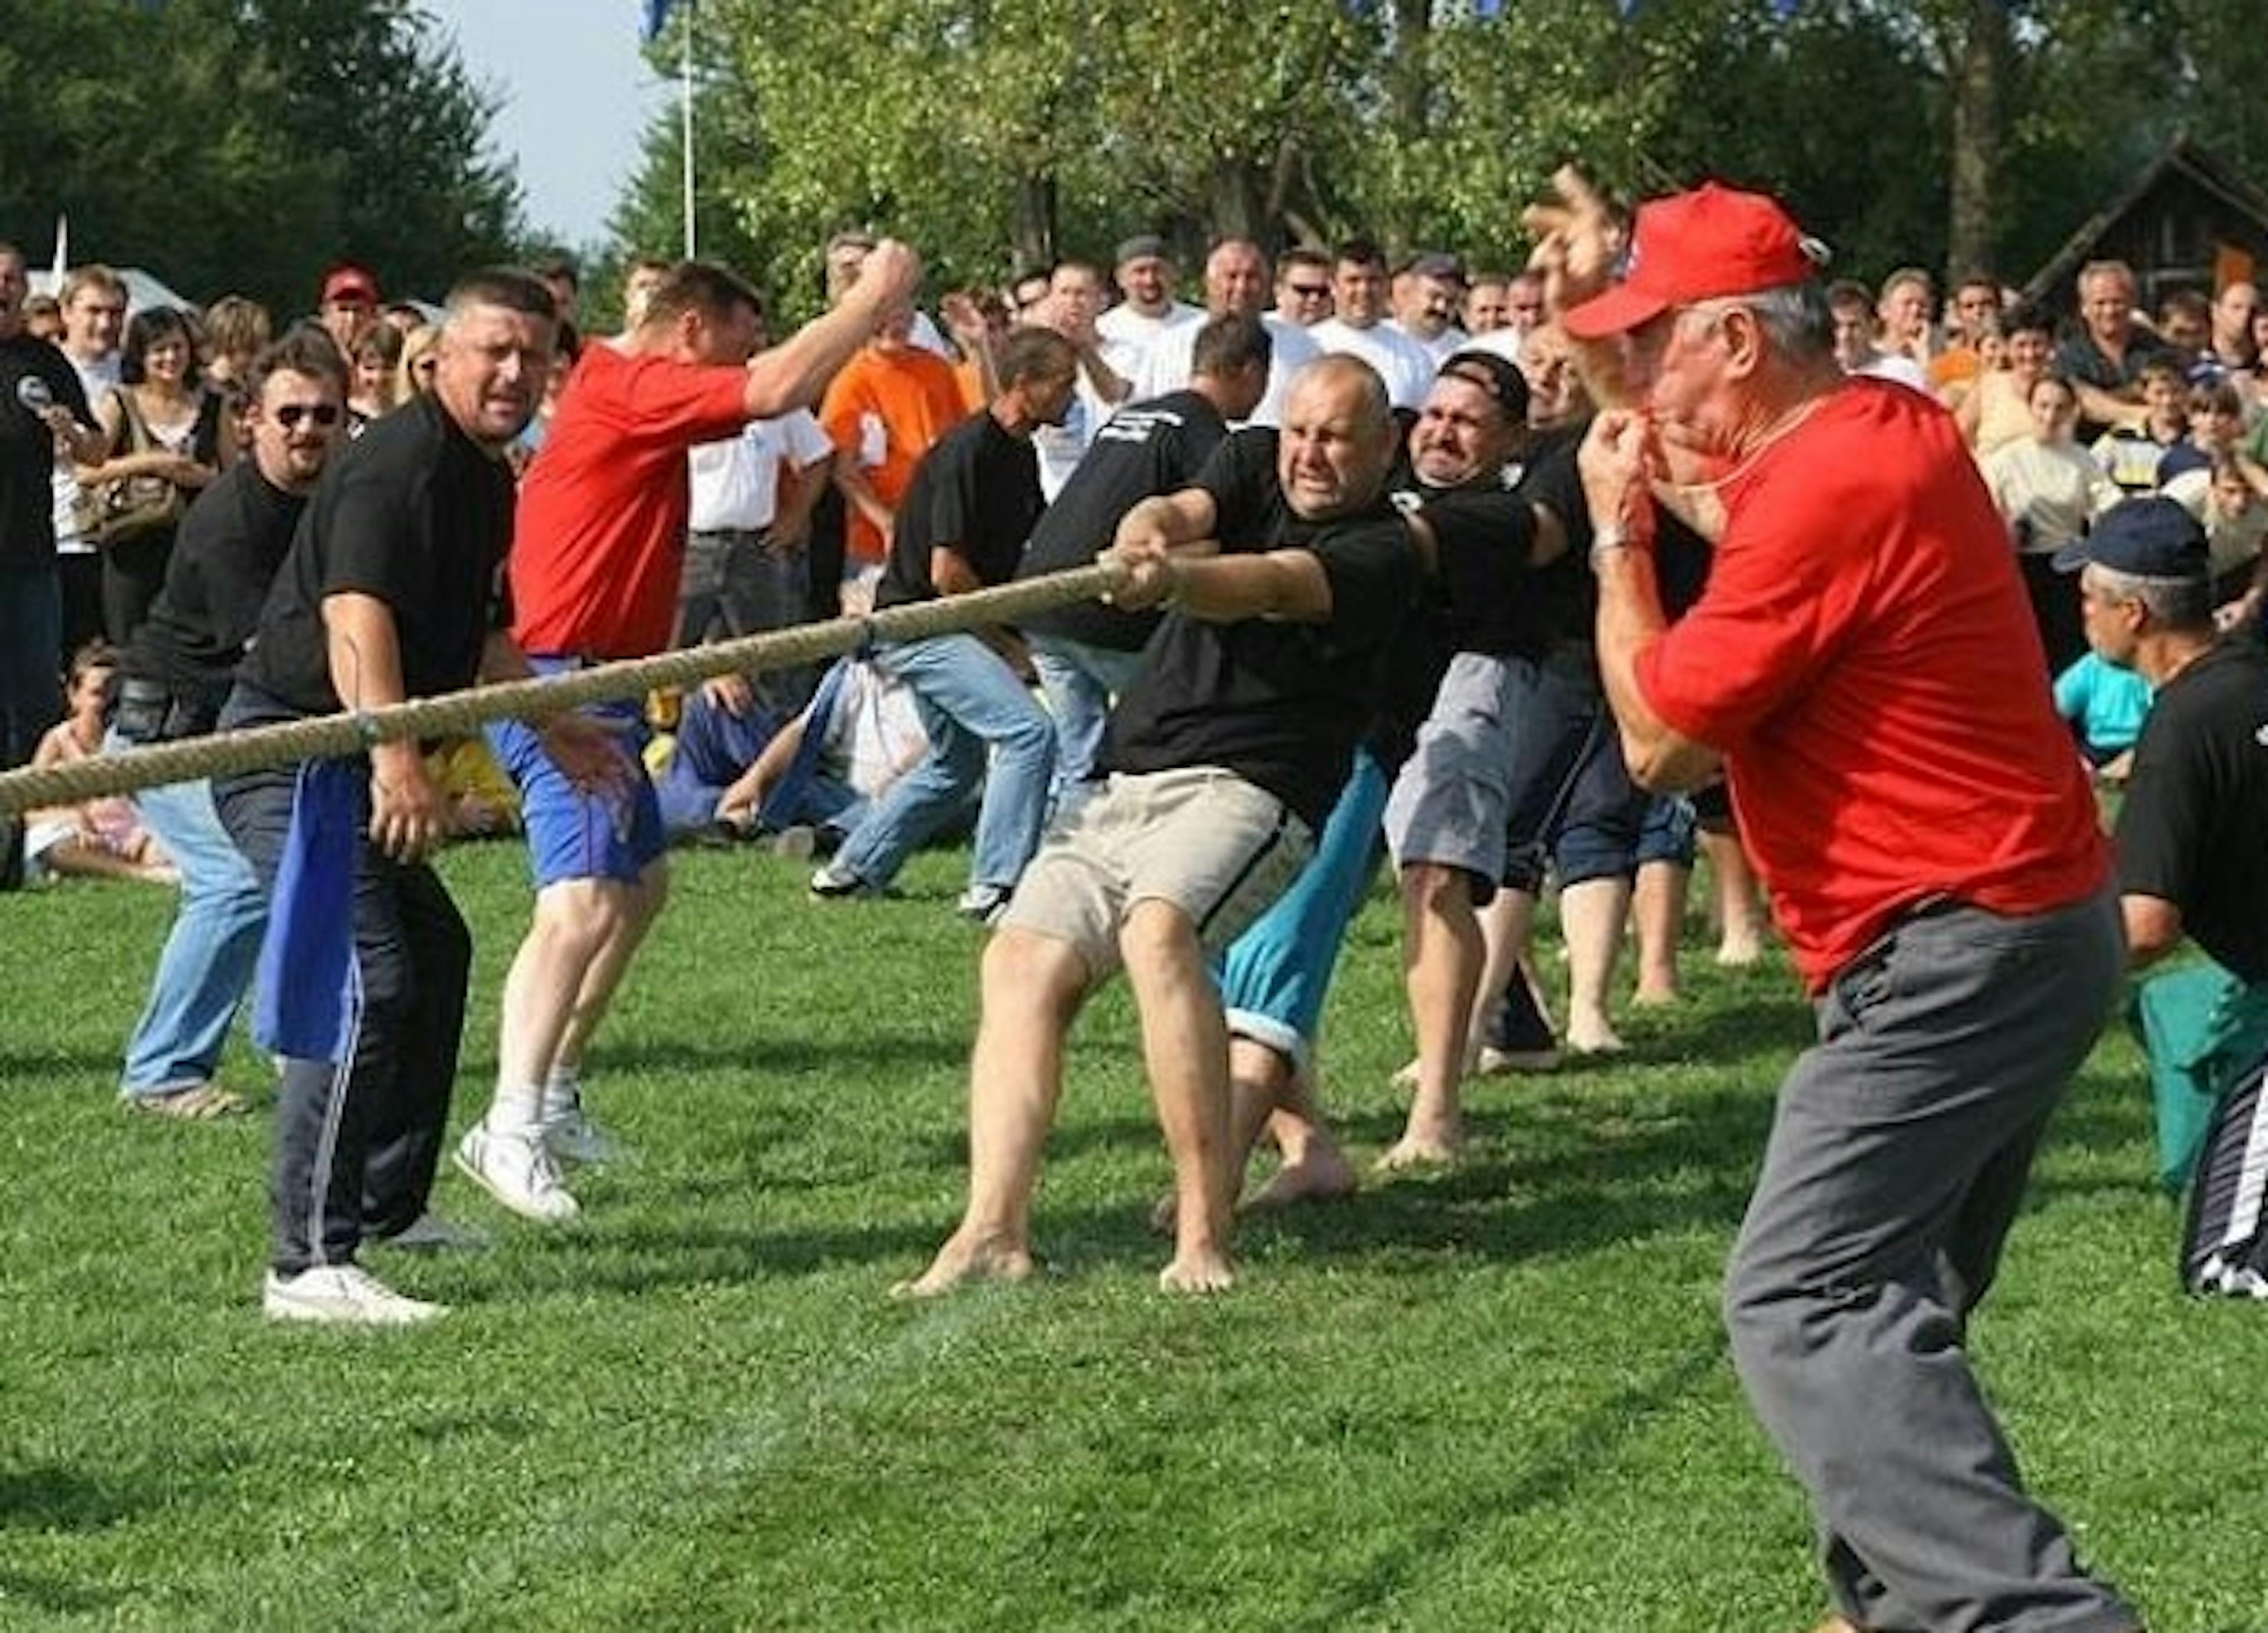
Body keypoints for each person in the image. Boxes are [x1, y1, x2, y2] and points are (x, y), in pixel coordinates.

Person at [1540, 171, 2139, 1632]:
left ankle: (2035, 1621)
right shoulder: (1884, 421)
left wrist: (1618, 543)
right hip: (2024, 932)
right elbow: (1704, 466)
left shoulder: (1820, 486)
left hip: (1953, 948)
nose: (1646, 376)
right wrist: (1586, 334)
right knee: (1897, 1302)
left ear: (1737, 342)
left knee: (1801, 1295)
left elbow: (1660, 739)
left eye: (1662, 340)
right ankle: (1884, 1607)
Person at [897, 355, 1420, 1298]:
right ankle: (991, 1231)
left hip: (1251, 789)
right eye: (1302, 430)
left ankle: (1202, 1230)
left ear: (1384, 446)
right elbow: (1180, 513)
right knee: (1018, 962)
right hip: (1130, 778)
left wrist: (1170, 582)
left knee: (1158, 928)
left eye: (1337, 438)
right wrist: (1140, 536)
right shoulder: (1254, 457)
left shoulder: (1382, 549)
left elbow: (1262, 583)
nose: (1309, 454)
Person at [455, 248, 921, 1227]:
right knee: (580, 903)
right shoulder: (630, 383)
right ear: (691, 333)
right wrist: (869, 303)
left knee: (639, 884)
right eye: (736, 338)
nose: (740, 359)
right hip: (555, 678)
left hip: (613, 679)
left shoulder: (628, 386)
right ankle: (505, 1128)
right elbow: (774, 388)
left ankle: (553, 1094)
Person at [214, 268, 623, 1325]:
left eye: (534, 355)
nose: (514, 372)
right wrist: (396, 757)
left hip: (361, 749)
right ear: (435, 358)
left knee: (434, 958)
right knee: (367, 980)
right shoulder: (397, 465)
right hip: (294, 754)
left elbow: (482, 630)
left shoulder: (486, 475)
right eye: (494, 350)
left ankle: (391, 1206)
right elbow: (357, 616)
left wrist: (550, 719)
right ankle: (306, 1263)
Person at [110, 331, 348, 1119]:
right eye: (290, 414)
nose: (307, 428)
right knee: (236, 882)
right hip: (168, 735)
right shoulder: (232, 520)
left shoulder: (329, 503)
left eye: (325, 413)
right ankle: (161, 1072)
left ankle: (301, 1044)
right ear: (250, 420)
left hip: (242, 732)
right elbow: (274, 657)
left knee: (309, 873)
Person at [808, 327, 1077, 919]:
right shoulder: (967, 451)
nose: (1073, 397)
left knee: (955, 764)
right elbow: (948, 572)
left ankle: (851, 871)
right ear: (1024, 386)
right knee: (1029, 734)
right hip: (921, 626)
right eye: (1063, 385)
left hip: (949, 624)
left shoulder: (1019, 452)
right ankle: (995, 887)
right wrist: (1009, 649)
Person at [2076, 498, 2268, 1297]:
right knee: (2174, 1009)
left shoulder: (2181, 730)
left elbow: (2147, 927)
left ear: (2135, 612)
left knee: (2222, 1268)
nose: (2079, 613)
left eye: (2087, 597)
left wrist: (2034, 979)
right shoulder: (2254, 673)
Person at [1014, 313, 1270, 807]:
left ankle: (1024, 877)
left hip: (1044, 600)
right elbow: (1222, 530)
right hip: (1104, 608)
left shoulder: (1134, 413)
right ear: (1250, 371)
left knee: (1080, 765)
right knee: (1185, 738)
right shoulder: (1204, 433)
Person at [0, 241, 102, 773]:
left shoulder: (44, 361)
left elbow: (97, 448)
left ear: (25, 290)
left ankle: (28, 831)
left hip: (28, 558)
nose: (2, 287)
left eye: (12, 278)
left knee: (35, 697)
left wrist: (70, 432)